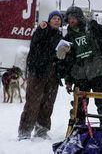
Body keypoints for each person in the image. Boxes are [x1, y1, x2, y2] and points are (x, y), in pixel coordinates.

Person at [61, 6, 102, 129]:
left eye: (74, 18)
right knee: (79, 107)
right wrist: (68, 80)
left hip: (99, 72)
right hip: (80, 76)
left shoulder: (96, 29)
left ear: (80, 18)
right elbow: (68, 61)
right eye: (69, 18)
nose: (71, 21)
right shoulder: (68, 38)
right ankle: (77, 130)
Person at [18, 10, 64, 140]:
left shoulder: (60, 36)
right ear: (49, 20)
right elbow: (36, 46)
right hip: (38, 72)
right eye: (54, 18)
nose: (56, 21)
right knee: (33, 102)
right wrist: (41, 28)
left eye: (59, 19)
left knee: (48, 104)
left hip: (53, 74)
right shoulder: (41, 31)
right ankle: (24, 132)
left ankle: (41, 130)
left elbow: (59, 56)